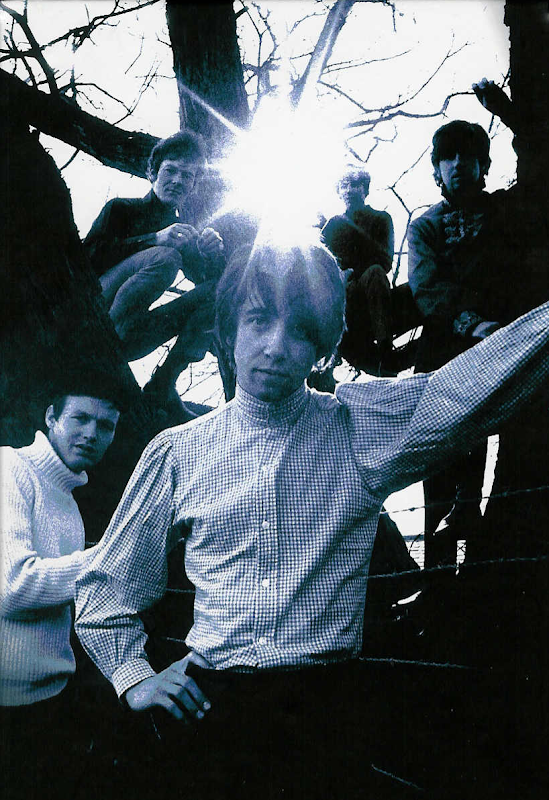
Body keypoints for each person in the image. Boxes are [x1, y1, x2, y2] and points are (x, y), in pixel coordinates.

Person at [74, 228, 548, 798]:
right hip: (211, 709)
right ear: (229, 328)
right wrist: (135, 677)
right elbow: (107, 589)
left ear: (323, 344)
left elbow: (470, 387)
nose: (276, 347)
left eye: (300, 330)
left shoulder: (357, 427)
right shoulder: (178, 452)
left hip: (327, 711)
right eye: (258, 320)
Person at [406, 78, 547, 563]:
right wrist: (473, 325)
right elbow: (428, 289)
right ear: (436, 172)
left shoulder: (507, 210)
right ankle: (438, 575)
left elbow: (542, 162)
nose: (459, 165)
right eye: (448, 158)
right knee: (442, 473)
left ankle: (485, 565)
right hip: (447, 355)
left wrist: (507, 113)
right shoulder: (425, 226)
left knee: (507, 468)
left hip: (509, 352)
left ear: (485, 167)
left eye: (469, 157)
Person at [0, 378, 123, 800]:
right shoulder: (9, 467)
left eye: (105, 426)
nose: (91, 434)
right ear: (51, 417)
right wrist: (113, 555)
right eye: (80, 418)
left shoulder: (69, 499)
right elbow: (13, 587)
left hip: (49, 701)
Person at [83, 130, 225, 362]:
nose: (177, 180)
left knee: (218, 290)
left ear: (193, 186)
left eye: (187, 176)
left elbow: (206, 283)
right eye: (170, 170)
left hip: (132, 334)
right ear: (152, 173)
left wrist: (212, 254)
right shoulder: (121, 209)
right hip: (92, 312)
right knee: (167, 257)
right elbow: (87, 261)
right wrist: (154, 240)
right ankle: (105, 343)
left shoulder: (183, 232)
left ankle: (166, 376)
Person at [321, 167, 396, 375]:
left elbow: (385, 260)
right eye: (343, 186)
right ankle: (328, 357)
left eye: (354, 185)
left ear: (365, 189)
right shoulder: (333, 224)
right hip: (343, 291)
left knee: (375, 272)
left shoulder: (381, 218)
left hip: (371, 284)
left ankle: (386, 349)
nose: (348, 190)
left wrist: (353, 270)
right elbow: (320, 263)